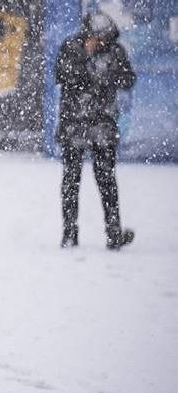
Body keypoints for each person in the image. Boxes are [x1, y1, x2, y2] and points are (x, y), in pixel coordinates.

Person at [54, 12, 136, 250]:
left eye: (104, 38)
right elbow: (62, 75)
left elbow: (128, 79)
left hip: (103, 125)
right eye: (96, 37)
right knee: (71, 181)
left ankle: (113, 233)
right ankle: (69, 233)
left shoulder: (115, 51)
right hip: (74, 125)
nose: (100, 42)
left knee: (107, 180)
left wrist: (111, 72)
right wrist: (85, 57)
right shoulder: (71, 48)